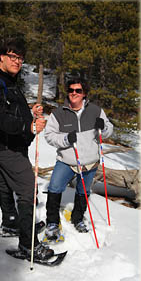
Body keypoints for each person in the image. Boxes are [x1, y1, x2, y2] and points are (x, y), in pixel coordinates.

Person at [0, 38, 54, 260]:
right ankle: (29, 246)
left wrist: (30, 111)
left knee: (4, 182)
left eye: (20, 58)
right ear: (2, 57)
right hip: (5, 147)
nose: (17, 61)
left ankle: (11, 222)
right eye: (13, 56)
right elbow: (1, 119)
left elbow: (11, 110)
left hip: (8, 145)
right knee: (28, 190)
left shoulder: (8, 80)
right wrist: (29, 125)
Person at [44, 77, 113, 241]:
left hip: (90, 162)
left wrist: (104, 127)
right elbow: (49, 136)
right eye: (71, 90)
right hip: (67, 161)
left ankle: (77, 218)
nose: (74, 93)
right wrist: (66, 139)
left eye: (78, 90)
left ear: (84, 94)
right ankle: (52, 222)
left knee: (83, 191)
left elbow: (109, 130)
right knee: (54, 188)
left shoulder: (96, 110)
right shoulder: (58, 113)